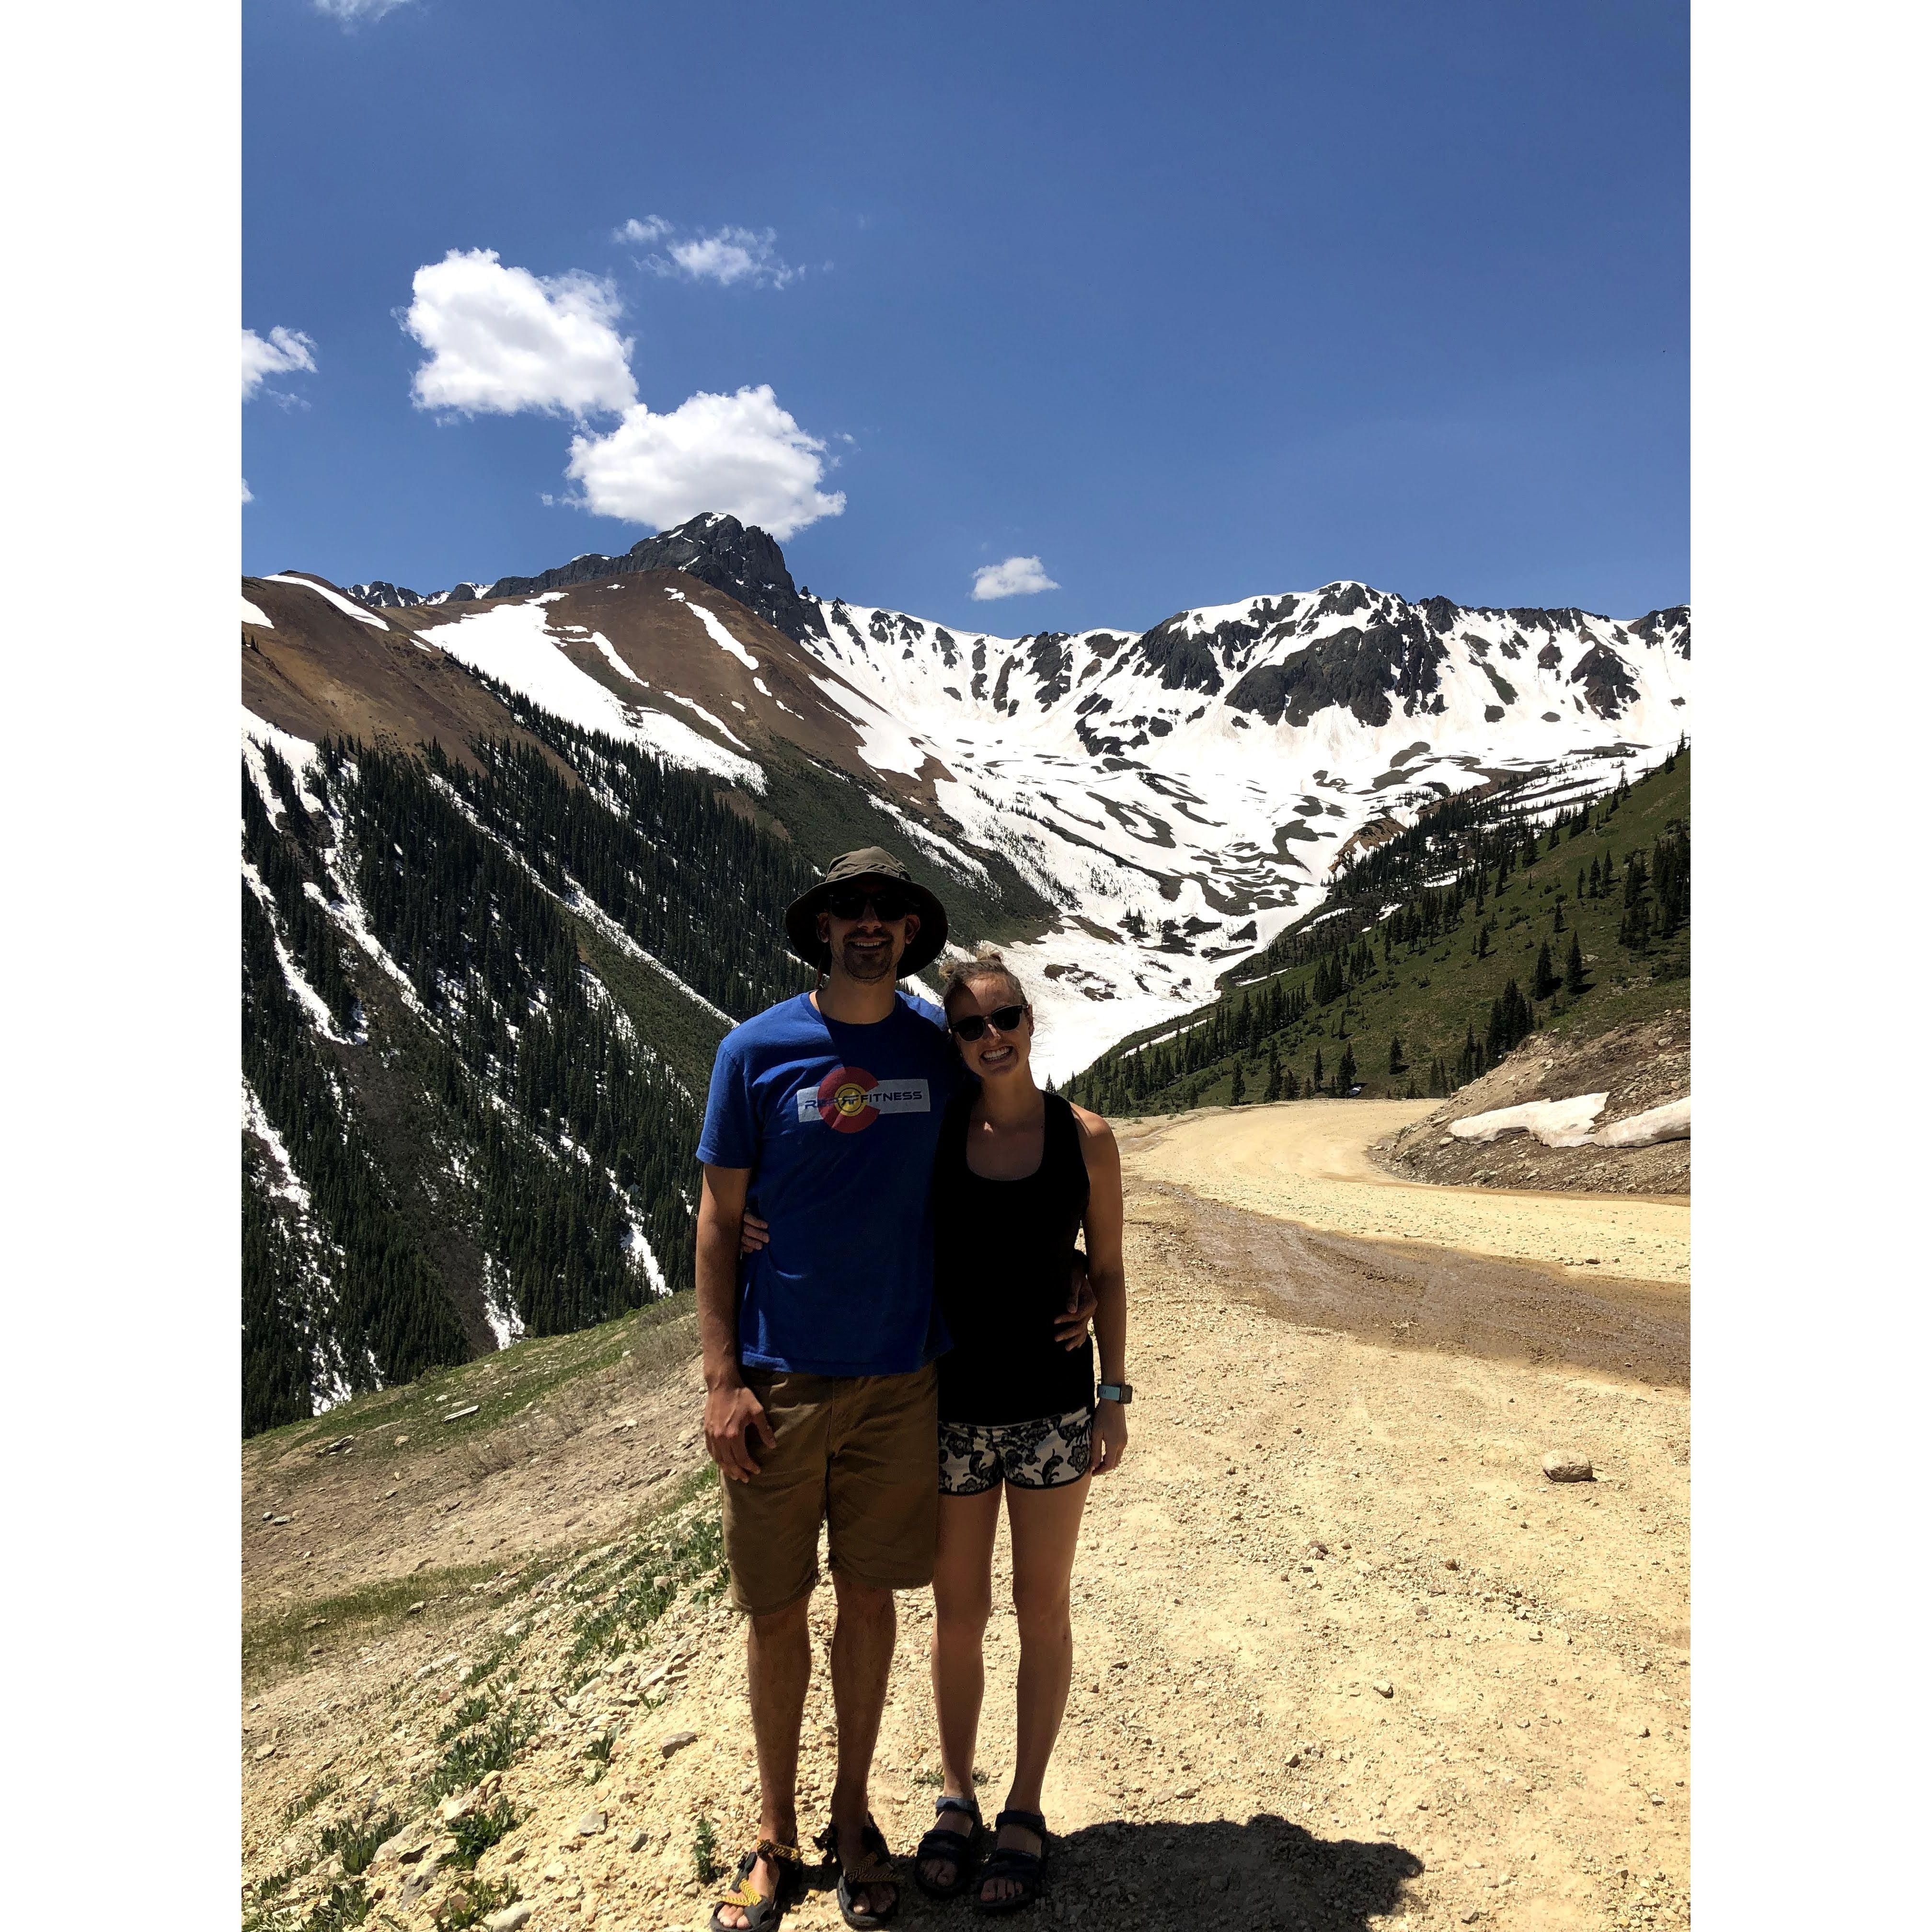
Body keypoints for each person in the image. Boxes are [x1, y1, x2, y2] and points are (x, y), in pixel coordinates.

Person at [695, 851, 1093, 1932]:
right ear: (821, 927)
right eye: (849, 910)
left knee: (869, 1606)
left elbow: (1013, 1150)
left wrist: (1073, 1268)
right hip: (780, 1383)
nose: (869, 924)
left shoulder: (941, 1046)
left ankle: (855, 1820)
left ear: (912, 932)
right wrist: (722, 1378)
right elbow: (721, 1216)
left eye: (890, 912)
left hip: (907, 1381)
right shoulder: (754, 1050)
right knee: (778, 1617)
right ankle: (774, 1837)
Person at [910, 946, 1130, 1917]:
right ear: (955, 1044)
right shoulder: (935, 1136)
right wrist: (756, 1224)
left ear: (1031, 1024)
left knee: (1042, 1611)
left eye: (1004, 1019)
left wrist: (1114, 1391)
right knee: (959, 1616)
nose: (991, 1037)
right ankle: (957, 1796)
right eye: (970, 1026)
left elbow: (1112, 1268)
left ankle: (1025, 1808)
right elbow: (860, 1203)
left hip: (1051, 1405)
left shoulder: (1087, 1139)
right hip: (951, 1408)